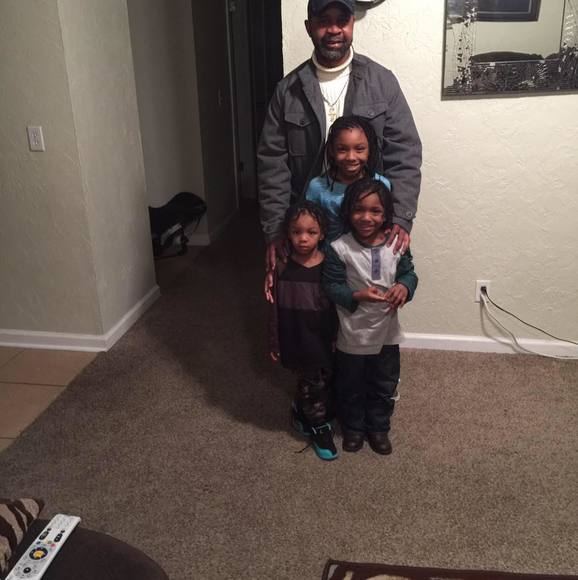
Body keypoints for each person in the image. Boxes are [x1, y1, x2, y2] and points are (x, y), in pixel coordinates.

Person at [258, 0, 421, 274]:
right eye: (323, 21)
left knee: (369, 298)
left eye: (342, 20)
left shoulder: (382, 82)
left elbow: (405, 154)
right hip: (309, 235)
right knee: (308, 299)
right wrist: (275, 229)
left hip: (368, 231)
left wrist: (401, 217)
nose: (333, 29)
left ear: (352, 23)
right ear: (309, 27)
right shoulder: (287, 91)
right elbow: (272, 165)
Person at [322, 177, 418, 455]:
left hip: (387, 333)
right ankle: (353, 428)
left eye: (375, 211)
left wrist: (404, 287)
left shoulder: (396, 244)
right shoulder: (339, 247)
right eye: (359, 209)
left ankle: (378, 427)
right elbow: (331, 285)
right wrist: (356, 295)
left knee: (384, 382)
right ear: (348, 211)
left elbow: (409, 273)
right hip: (352, 333)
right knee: (350, 384)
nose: (366, 217)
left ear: (386, 213)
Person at [268, 200, 339, 461]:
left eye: (311, 232)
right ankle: (318, 426)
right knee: (312, 384)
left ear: (322, 234)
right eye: (296, 232)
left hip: (324, 338)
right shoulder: (281, 267)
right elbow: (273, 311)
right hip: (296, 338)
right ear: (287, 233)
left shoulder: (330, 265)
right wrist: (274, 342)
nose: (303, 238)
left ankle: (301, 412)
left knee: (323, 381)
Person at [306, 115, 390, 243]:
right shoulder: (317, 187)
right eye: (342, 149)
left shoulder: (381, 185)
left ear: (370, 149)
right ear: (332, 150)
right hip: (327, 254)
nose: (351, 157)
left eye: (359, 149)